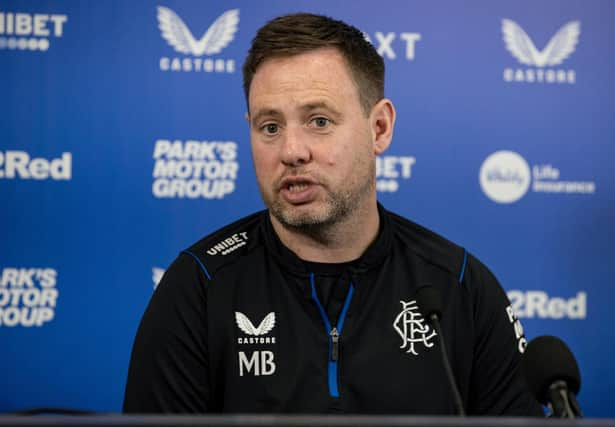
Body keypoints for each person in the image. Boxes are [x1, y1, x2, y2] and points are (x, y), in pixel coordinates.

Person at [123, 13, 542, 415]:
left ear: (379, 128)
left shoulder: (462, 289)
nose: (291, 151)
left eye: (319, 121)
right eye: (270, 127)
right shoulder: (197, 288)